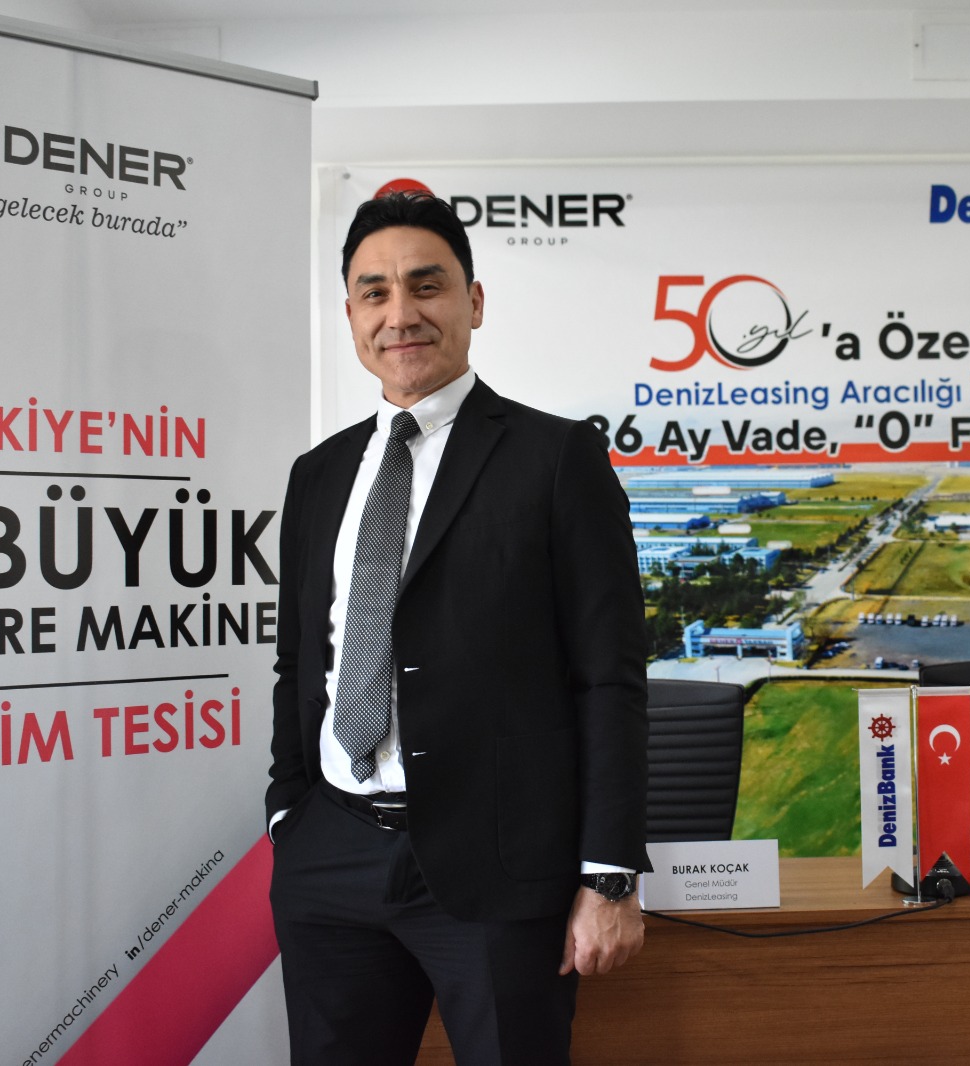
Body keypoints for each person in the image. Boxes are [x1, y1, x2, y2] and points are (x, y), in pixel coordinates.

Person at [266, 190, 650, 1066]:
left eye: (426, 285)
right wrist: (290, 813)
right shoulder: (318, 474)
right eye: (374, 293)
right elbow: (299, 660)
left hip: (498, 870)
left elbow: (608, 677)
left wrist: (608, 875)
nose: (400, 314)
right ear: (351, 315)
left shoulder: (557, 459)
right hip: (331, 857)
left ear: (473, 302)